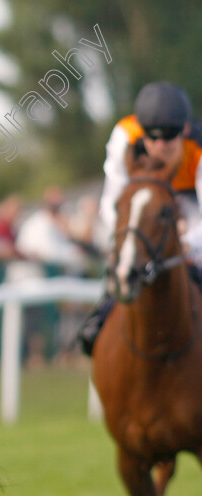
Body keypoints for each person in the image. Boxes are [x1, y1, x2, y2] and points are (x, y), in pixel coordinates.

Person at [81, 82, 202, 353]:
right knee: (125, 260)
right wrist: (128, 240)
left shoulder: (199, 146)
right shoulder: (125, 134)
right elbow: (111, 203)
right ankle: (100, 318)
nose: (160, 145)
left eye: (169, 136)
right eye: (152, 136)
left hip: (191, 208)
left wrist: (187, 240)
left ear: (184, 129)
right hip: (144, 210)